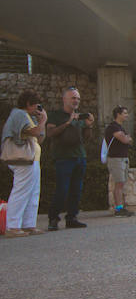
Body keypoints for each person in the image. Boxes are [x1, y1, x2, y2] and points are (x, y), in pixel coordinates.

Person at [45, 86, 94, 230]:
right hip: (63, 157)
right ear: (64, 99)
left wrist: (89, 126)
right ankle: (53, 218)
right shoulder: (55, 115)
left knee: (76, 190)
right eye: (73, 97)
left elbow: (85, 139)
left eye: (78, 98)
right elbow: (50, 133)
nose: (76, 101)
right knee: (62, 189)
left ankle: (72, 217)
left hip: (79, 156)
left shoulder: (79, 116)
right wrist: (68, 122)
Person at [2, 89, 46, 236]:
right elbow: (34, 132)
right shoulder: (19, 114)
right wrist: (43, 121)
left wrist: (40, 123)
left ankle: (28, 224)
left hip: (32, 159)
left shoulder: (28, 116)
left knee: (33, 192)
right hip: (22, 159)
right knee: (21, 191)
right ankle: (13, 226)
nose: (37, 108)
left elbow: (40, 137)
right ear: (28, 103)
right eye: (36, 105)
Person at [104, 105, 135, 217]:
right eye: (125, 113)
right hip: (116, 159)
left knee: (121, 183)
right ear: (118, 114)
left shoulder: (120, 128)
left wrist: (127, 138)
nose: (127, 115)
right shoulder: (113, 127)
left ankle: (121, 207)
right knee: (119, 184)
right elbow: (125, 139)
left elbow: (128, 140)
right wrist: (127, 138)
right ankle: (119, 209)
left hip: (123, 158)